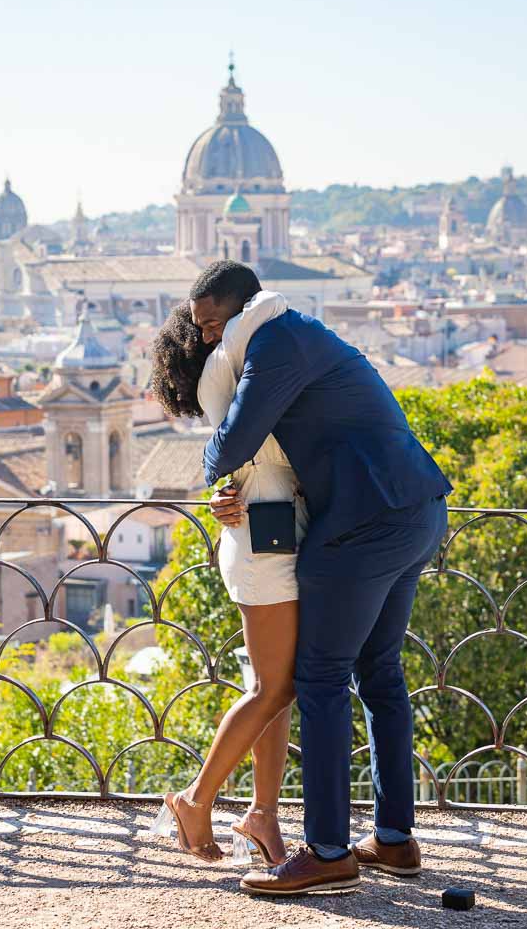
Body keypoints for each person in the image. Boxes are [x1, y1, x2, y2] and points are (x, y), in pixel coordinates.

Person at [198, 261, 453, 897]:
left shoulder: (272, 343)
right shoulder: (306, 330)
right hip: (418, 508)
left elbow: (232, 444)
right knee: (382, 676)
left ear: (235, 313)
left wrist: (210, 477)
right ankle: (395, 841)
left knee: (318, 679)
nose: (207, 339)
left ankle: (329, 852)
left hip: (364, 526)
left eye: (209, 324)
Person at [148, 268, 306, 865]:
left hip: (267, 532)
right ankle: (196, 800)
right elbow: (268, 305)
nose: (215, 334)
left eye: (217, 322)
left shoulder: (242, 369)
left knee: (274, 690)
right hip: (265, 541)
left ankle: (264, 816)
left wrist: (220, 488)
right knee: (275, 686)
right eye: (205, 326)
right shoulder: (231, 363)